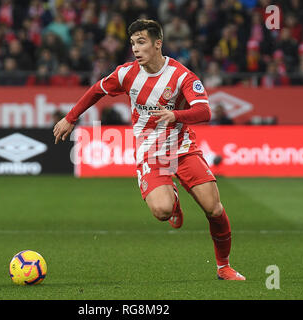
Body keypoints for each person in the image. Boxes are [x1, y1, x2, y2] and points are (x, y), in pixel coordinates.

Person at [53, 19, 245, 281]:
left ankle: (224, 267)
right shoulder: (126, 74)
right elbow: (96, 90)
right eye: (132, 43)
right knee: (162, 211)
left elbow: (204, 111)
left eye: (141, 42)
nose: (135, 48)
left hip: (183, 149)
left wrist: (175, 115)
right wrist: (71, 117)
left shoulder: (181, 76)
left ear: (158, 44)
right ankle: (174, 204)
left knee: (214, 209)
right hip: (150, 153)